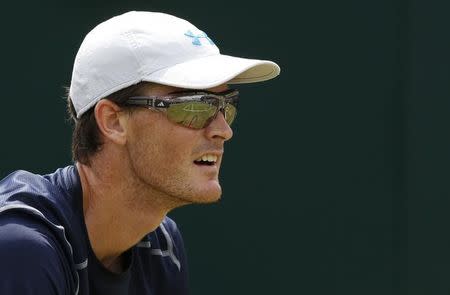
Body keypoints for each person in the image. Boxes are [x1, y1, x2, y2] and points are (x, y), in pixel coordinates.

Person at [0, 11, 280, 295]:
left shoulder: (162, 247)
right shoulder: (20, 248)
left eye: (225, 105)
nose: (223, 130)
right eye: (195, 106)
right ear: (113, 121)